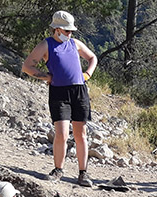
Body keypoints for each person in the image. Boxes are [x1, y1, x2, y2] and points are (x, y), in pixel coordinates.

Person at [22, 10, 98, 187]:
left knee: (80, 134)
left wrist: (87, 74)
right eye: (67, 30)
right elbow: (27, 66)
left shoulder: (75, 43)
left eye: (71, 31)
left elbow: (92, 57)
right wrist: (45, 76)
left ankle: (83, 173)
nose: (69, 33)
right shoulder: (46, 45)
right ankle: (58, 170)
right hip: (59, 92)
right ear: (56, 29)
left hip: (79, 91)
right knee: (62, 133)